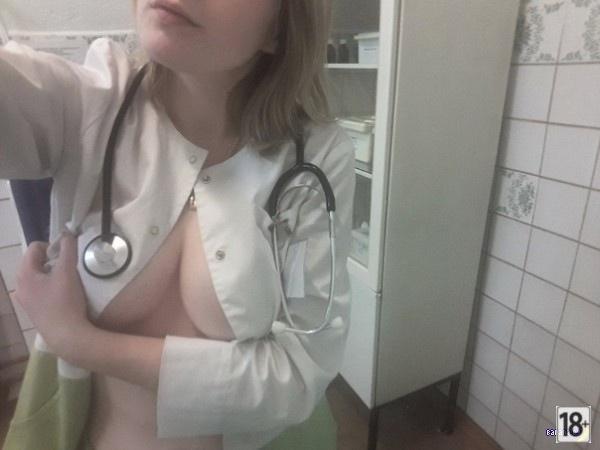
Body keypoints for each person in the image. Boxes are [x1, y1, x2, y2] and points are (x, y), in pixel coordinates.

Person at [0, 0, 356, 449]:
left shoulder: (317, 158)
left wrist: (78, 341)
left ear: (279, 29)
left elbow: (299, 374)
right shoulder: (90, 102)